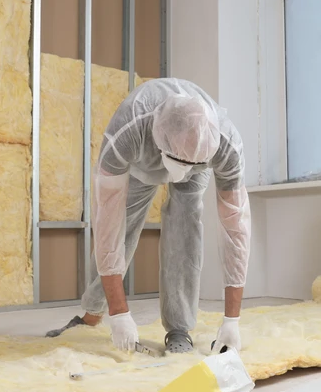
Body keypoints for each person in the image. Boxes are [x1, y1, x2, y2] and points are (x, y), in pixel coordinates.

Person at [46, 78, 251, 355]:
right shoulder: (127, 132)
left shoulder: (226, 145)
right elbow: (108, 227)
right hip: (142, 163)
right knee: (122, 226)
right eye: (180, 162)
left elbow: (236, 231)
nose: (183, 170)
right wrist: (119, 313)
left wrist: (232, 320)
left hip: (198, 160)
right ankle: (93, 314)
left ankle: (179, 329)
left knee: (185, 229)